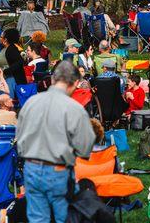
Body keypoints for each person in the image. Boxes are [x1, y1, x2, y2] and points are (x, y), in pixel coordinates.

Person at [17, 61, 95, 223]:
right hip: (58, 169)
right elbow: (85, 148)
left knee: (38, 219)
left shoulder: (31, 103)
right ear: (74, 83)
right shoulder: (74, 108)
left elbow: (19, 138)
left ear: (52, 80)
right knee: (64, 217)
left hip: (31, 167)